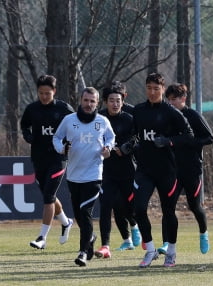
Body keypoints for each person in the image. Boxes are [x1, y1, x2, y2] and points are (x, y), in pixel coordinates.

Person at [131, 73, 193, 268]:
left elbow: (189, 135)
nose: (152, 92)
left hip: (167, 170)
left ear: (163, 90)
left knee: (168, 212)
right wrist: (128, 145)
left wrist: (168, 141)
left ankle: (171, 252)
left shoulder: (170, 111)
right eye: (149, 88)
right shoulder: (139, 110)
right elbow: (134, 136)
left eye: (156, 88)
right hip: (144, 170)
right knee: (139, 208)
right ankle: (150, 250)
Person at [53, 87, 115, 266]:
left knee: (85, 212)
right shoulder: (69, 120)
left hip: (94, 174)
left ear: (97, 103)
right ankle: (91, 237)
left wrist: (108, 148)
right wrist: (62, 148)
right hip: (73, 175)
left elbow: (111, 138)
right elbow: (56, 138)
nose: (89, 104)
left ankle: (82, 252)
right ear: (80, 100)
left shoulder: (102, 121)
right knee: (80, 216)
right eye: (86, 100)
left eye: (92, 101)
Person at [20, 75, 74, 250]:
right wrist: (28, 135)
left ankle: (42, 237)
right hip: (39, 158)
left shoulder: (64, 109)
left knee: (48, 196)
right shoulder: (32, 109)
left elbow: (76, 125)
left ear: (54, 92)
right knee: (48, 195)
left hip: (58, 158)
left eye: (47, 93)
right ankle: (66, 222)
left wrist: (69, 144)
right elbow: (24, 126)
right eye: (41, 93)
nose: (44, 96)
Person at [164, 83, 213, 255]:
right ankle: (167, 244)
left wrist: (184, 141)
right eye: (168, 100)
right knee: (168, 207)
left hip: (191, 169)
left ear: (183, 99)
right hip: (172, 170)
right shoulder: (166, 116)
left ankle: (203, 233)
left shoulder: (193, 115)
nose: (170, 103)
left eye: (174, 99)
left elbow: (209, 138)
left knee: (195, 206)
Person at [94, 85, 142, 259]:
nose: (115, 104)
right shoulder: (98, 119)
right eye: (111, 101)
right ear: (105, 102)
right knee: (107, 205)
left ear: (123, 101)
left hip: (127, 170)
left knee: (128, 207)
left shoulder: (129, 119)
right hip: (106, 171)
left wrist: (126, 148)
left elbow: (137, 138)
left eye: (118, 101)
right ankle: (105, 245)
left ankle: (135, 225)